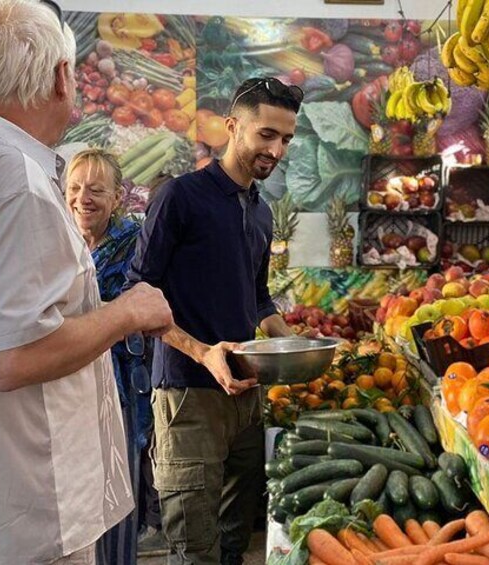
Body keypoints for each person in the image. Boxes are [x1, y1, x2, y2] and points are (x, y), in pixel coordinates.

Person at [0, 1, 173, 563]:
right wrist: (127, 313)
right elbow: (12, 357)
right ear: (61, 77)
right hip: (36, 512)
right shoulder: (10, 178)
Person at [127, 77, 303, 565]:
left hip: (245, 399)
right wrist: (203, 352)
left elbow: (259, 298)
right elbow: (139, 296)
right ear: (232, 126)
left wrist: (297, 348)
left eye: (286, 138)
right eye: (266, 134)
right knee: (195, 549)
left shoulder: (261, 212)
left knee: (234, 543)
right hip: (187, 397)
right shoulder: (180, 198)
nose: (277, 149)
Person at [64, 148, 151, 565]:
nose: (84, 198)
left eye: (96, 190)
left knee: (117, 496)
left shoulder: (135, 243)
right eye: (76, 188)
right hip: (66, 385)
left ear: (117, 197)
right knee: (75, 500)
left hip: (118, 388)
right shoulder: (58, 241)